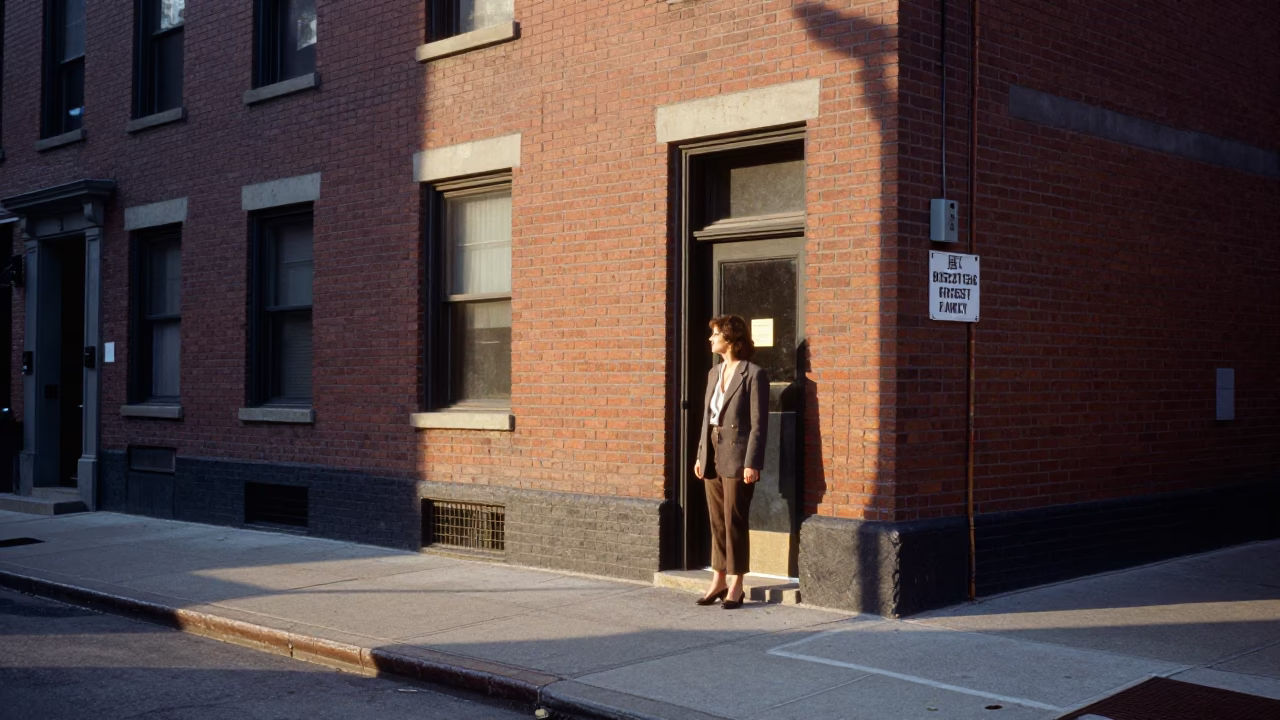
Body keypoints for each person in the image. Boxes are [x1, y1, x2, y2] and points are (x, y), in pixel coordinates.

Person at [693, 314, 769, 609]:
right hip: (712, 452)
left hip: (738, 455)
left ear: (730, 339)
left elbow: (758, 423)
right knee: (717, 521)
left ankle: (737, 584)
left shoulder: (753, 374)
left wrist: (753, 462)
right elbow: (705, 420)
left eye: (715, 335)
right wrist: (701, 454)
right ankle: (718, 579)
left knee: (734, 519)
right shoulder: (714, 373)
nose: (711, 339)